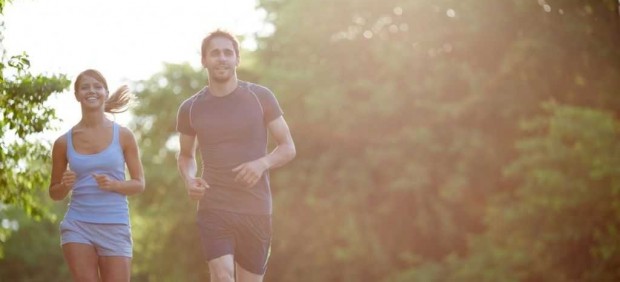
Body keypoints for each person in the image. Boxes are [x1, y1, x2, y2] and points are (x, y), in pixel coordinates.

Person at [176, 30, 296, 282]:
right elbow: (186, 155)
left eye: (228, 53)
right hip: (214, 204)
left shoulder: (260, 97)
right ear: (204, 60)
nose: (222, 58)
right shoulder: (191, 108)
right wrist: (189, 179)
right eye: (215, 53)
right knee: (222, 276)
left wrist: (262, 163)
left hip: (256, 207)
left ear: (237, 59)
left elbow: (287, 147)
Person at [48, 69, 145, 282]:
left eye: (97, 86)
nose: (91, 91)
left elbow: (139, 184)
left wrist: (115, 185)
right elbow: (54, 193)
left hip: (115, 223)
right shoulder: (63, 143)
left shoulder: (124, 136)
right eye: (85, 87)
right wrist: (65, 186)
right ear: (77, 95)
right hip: (78, 224)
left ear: (106, 92)